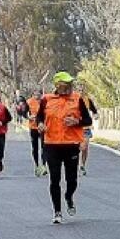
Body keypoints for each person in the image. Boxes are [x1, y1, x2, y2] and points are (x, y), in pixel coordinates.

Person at [37, 72, 93, 224]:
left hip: (71, 145)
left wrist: (76, 121)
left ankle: (69, 196)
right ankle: (57, 211)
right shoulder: (46, 99)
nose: (69, 88)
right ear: (58, 86)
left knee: (71, 180)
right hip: (51, 145)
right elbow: (39, 117)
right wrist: (40, 124)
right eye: (65, 85)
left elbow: (88, 119)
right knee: (54, 179)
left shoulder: (77, 99)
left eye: (70, 85)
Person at [26, 88, 46, 176]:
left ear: (41, 94)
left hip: (42, 127)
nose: (37, 95)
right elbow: (23, 112)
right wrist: (28, 117)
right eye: (35, 94)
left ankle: (44, 166)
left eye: (38, 94)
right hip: (33, 127)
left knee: (44, 147)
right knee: (35, 148)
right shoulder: (29, 102)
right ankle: (37, 165)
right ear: (33, 94)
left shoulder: (45, 102)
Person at [79, 89, 99, 175]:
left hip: (86, 128)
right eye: (78, 90)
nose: (80, 91)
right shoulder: (72, 100)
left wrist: (96, 116)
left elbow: (94, 111)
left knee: (84, 147)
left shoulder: (88, 100)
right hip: (75, 128)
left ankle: (82, 165)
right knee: (74, 149)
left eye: (82, 90)